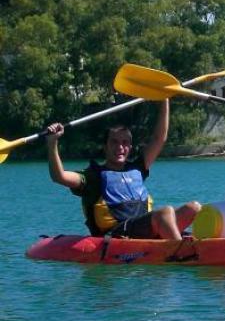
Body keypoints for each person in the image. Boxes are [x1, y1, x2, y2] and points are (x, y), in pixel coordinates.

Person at [45, 100, 201, 240]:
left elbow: (159, 138)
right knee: (165, 212)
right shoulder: (94, 176)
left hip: (144, 227)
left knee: (193, 208)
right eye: (114, 142)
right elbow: (59, 176)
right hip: (117, 233)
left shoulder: (138, 168)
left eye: (125, 143)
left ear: (130, 147)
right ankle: (180, 251)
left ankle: (196, 244)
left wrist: (164, 99)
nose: (120, 147)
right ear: (105, 147)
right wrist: (52, 143)